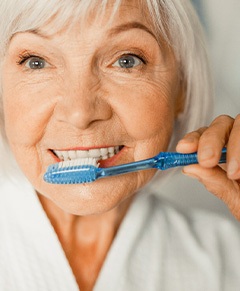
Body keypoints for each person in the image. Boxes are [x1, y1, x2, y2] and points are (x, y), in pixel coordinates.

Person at [0, 0, 240, 290]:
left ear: (182, 88)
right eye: (36, 62)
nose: (80, 113)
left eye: (127, 60)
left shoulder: (226, 257)